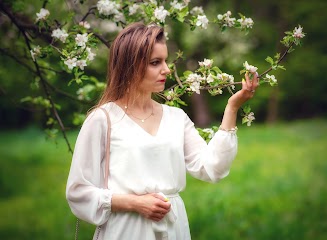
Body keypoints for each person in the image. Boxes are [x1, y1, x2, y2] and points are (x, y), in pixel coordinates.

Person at [66, 22, 259, 240]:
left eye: (165, 61)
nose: (166, 69)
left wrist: (232, 107)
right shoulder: (103, 119)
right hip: (127, 230)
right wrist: (135, 203)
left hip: (172, 229)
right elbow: (78, 192)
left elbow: (212, 167)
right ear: (130, 66)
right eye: (155, 62)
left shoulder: (176, 118)